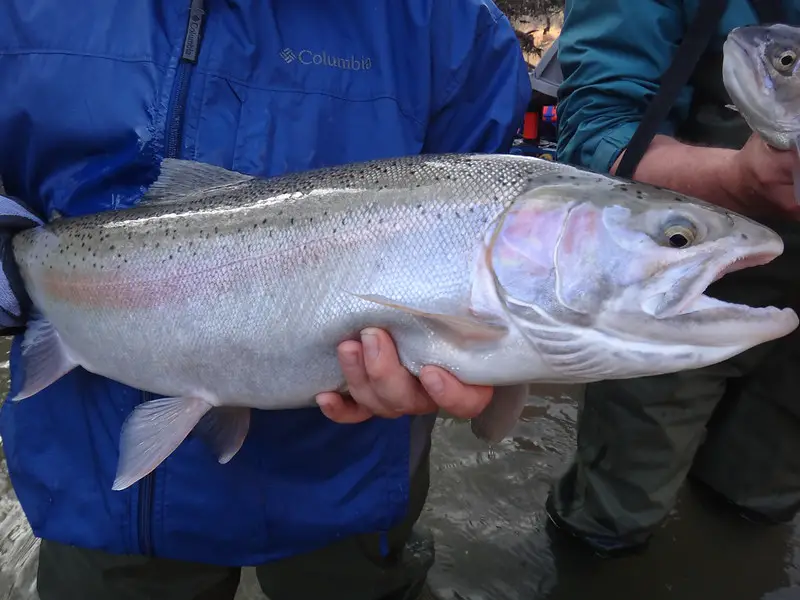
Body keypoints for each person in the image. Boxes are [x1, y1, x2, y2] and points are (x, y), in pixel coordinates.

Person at [0, 2, 531, 598]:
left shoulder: (452, 26)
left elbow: (489, 214)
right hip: (91, 486)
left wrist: (488, 355)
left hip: (348, 490)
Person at [548, 0, 800, 557]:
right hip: (679, 278)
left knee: (764, 498)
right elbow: (597, 133)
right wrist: (738, 181)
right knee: (615, 511)